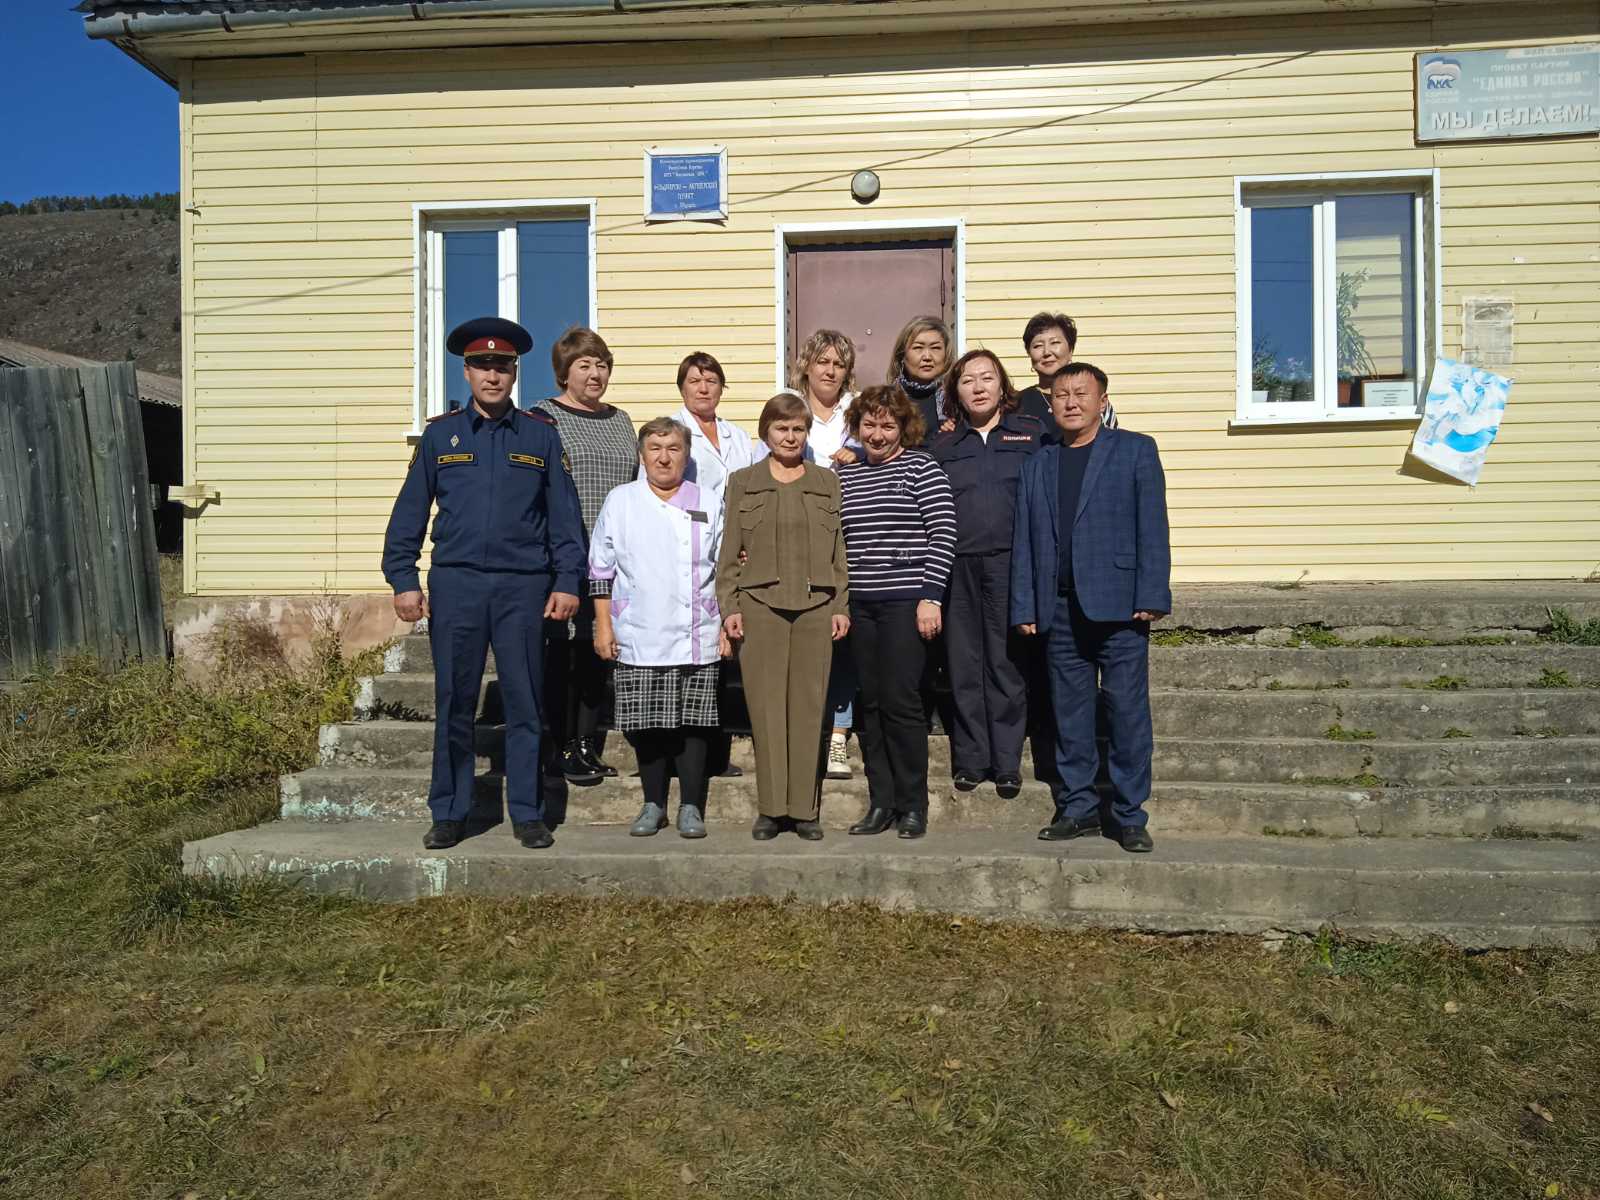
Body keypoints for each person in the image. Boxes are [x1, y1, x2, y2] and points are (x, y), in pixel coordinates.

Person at [382, 317, 585, 851]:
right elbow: (408, 515)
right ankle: (450, 811)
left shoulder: (540, 438)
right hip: (458, 586)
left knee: (526, 702)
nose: (492, 375)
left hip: (523, 588)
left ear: (514, 373)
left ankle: (527, 811)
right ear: (466, 371)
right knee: (454, 701)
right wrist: (404, 579)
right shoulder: (439, 436)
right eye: (482, 366)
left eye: (502, 366)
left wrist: (567, 581)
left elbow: (564, 519)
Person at [1010, 363, 1170, 853]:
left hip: (1120, 609)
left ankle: (1128, 815)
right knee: (1070, 715)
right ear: (1050, 402)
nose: (1071, 402)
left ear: (1102, 400)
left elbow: (1152, 526)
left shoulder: (1135, 450)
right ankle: (1077, 808)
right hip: (1058, 610)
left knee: (1126, 714)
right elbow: (1026, 539)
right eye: (1061, 394)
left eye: (1081, 393)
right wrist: (1026, 603)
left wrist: (1151, 594)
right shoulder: (1039, 462)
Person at [717, 393, 850, 841]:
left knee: (810, 707)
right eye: (781, 428)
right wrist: (729, 608)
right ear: (766, 433)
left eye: (798, 429)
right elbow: (728, 554)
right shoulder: (743, 482)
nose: (790, 436)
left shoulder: (826, 481)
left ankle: (804, 810)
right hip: (760, 607)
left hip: (816, 607)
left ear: (806, 435)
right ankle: (772, 809)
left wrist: (840, 606)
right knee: (767, 708)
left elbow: (838, 554)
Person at [590, 418, 725, 840]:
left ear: (687, 455)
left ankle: (690, 806)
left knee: (694, 723)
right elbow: (600, 569)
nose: (664, 457)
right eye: (655, 447)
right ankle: (652, 803)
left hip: (696, 629)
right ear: (642, 454)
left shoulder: (710, 501)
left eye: (674, 448)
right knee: (645, 724)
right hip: (638, 629)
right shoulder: (621, 500)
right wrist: (602, 626)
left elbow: (725, 569)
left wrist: (725, 626)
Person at [837, 386, 957, 839]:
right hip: (861, 605)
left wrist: (931, 597)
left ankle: (913, 805)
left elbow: (944, 533)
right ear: (857, 428)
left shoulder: (921, 467)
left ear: (904, 427)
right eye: (869, 424)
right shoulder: (845, 475)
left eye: (888, 425)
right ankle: (880, 802)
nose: (878, 434)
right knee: (870, 703)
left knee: (903, 702)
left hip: (908, 603)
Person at [929, 349, 1046, 798]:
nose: (978, 387)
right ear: (955, 391)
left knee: (1005, 665)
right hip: (956, 566)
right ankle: (972, 760)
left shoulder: (1031, 436)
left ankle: (1006, 762)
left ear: (1002, 386)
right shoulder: (941, 445)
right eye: (967, 380)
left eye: (987, 378)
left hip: (1010, 564)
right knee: (963, 664)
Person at [536, 327, 636, 786]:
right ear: (564, 372)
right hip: (565, 556)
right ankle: (556, 745)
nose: (596, 374)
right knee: (563, 654)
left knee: (598, 652)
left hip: (614, 557)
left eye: (602, 364)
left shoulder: (621, 420)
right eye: (584, 365)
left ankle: (585, 744)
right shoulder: (542, 418)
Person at [789, 329, 861, 781]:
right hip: (800, 541)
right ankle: (801, 735)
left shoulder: (858, 411)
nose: (830, 370)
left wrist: (857, 457)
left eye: (838, 363)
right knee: (803, 643)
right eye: (822, 361)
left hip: (850, 537)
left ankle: (838, 737)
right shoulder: (789, 407)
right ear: (807, 367)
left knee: (842, 641)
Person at [670, 350, 760, 503]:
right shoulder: (667, 431)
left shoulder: (738, 436)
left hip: (734, 522)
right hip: (685, 521)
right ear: (681, 389)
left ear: (721, 389)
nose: (703, 389)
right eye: (694, 381)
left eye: (711, 381)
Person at [1014, 313, 1117, 432]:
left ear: (1070, 350)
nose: (1047, 352)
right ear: (1029, 354)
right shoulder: (1016, 402)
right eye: (1038, 345)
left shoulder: (1094, 398)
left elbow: (1112, 442)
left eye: (1055, 343)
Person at [887, 315, 954, 436]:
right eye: (918, 347)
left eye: (935, 348)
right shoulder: (887, 400)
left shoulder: (956, 399)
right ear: (902, 355)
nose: (927, 357)